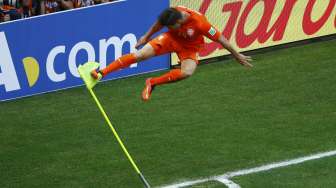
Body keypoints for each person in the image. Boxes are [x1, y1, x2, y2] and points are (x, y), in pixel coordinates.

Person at [91, 6, 253, 101]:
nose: (168, 26)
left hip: (190, 47)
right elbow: (159, 24)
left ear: (179, 22)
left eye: (171, 25)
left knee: (187, 72)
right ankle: (101, 73)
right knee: (140, 55)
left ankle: (152, 83)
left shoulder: (200, 24)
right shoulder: (171, 14)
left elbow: (222, 40)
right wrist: (146, 37)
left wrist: (237, 55)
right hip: (170, 40)